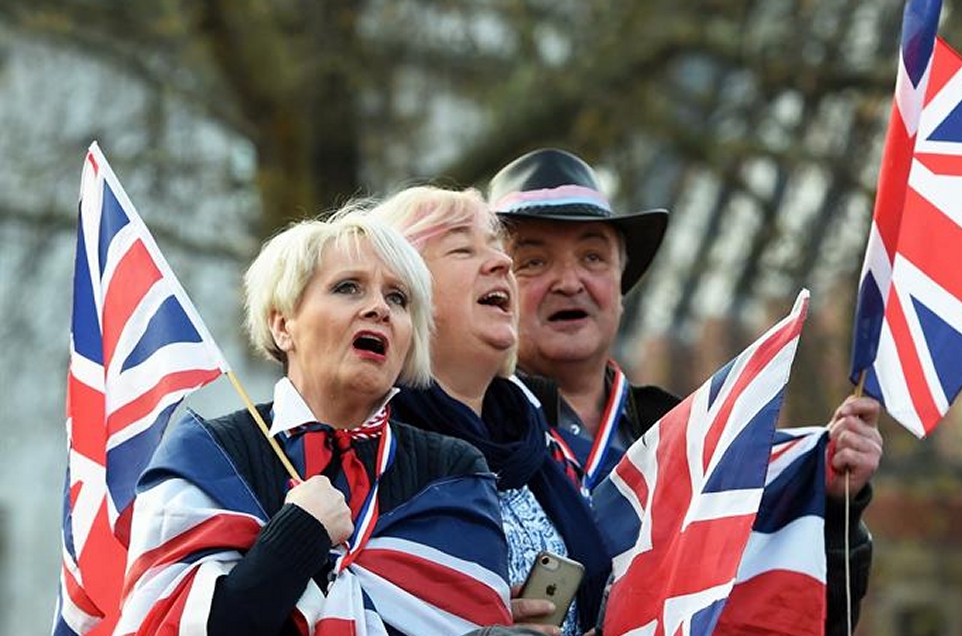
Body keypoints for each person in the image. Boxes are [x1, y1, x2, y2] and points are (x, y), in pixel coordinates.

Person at [488, 148, 884, 634]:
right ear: (494, 290)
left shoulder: (700, 438)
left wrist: (836, 505)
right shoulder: (461, 430)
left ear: (621, 281)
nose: (570, 282)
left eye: (593, 257)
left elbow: (789, 609)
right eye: (533, 261)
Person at [116, 213, 514, 635]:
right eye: (348, 287)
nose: (380, 308)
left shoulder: (456, 474)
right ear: (283, 325)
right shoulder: (207, 455)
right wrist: (299, 533)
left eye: (398, 298)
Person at [357, 187, 611, 636]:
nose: (502, 263)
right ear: (399, 293)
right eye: (463, 249)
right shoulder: (366, 452)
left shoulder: (544, 444)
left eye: (496, 247)